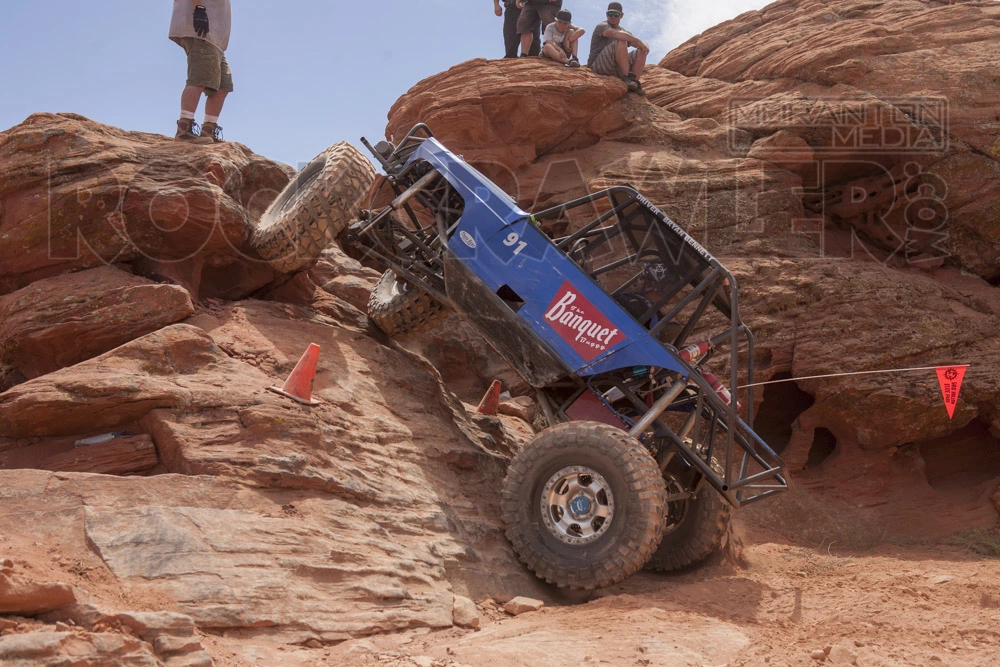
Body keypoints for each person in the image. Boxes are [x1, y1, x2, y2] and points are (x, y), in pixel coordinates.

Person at [169, 0, 233, 143]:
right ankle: (184, 130)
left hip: (214, 38)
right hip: (201, 31)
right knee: (199, 79)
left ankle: (208, 131)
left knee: (223, 86)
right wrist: (199, 8)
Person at [586, 1, 649, 94]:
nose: (613, 17)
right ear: (606, 14)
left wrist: (644, 45)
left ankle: (634, 82)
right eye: (610, 14)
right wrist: (638, 41)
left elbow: (638, 44)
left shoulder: (623, 31)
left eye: (616, 14)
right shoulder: (602, 26)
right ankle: (626, 77)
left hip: (614, 69)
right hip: (597, 67)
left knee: (641, 51)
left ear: (621, 15)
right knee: (621, 40)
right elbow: (614, 33)